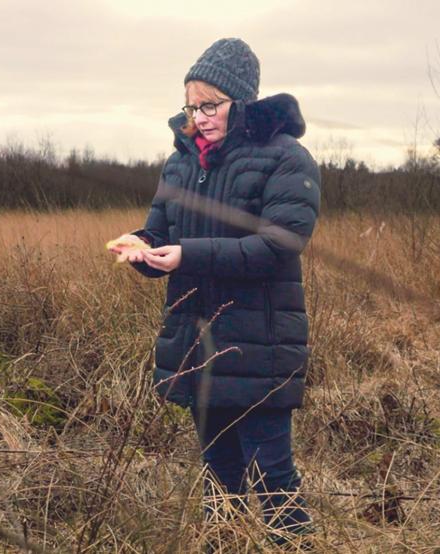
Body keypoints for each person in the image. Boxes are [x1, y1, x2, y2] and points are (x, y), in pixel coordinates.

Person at [108, 38, 320, 548]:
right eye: (191, 106)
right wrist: (143, 247)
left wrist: (188, 254)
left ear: (241, 102)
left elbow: (277, 245)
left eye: (210, 105)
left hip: (260, 345)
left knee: (273, 479)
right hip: (196, 339)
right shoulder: (181, 163)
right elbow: (162, 233)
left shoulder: (286, 159)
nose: (199, 117)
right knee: (218, 476)